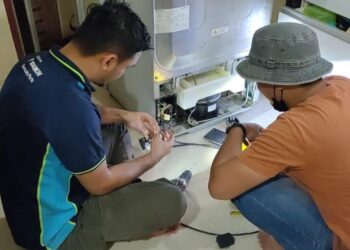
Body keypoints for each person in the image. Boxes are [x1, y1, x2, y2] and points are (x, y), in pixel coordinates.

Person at [0, 1, 188, 249]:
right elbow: (100, 183)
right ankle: (117, 216)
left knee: (115, 126)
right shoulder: (71, 108)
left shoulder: (38, 62)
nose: (124, 72)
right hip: (53, 233)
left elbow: (73, 115)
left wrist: (124, 115)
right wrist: (154, 157)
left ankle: (126, 197)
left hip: (24, 204)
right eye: (127, 67)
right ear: (108, 61)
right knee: (173, 201)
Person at [208, 22, 350, 250]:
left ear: (276, 84)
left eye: (258, 80)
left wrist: (238, 129)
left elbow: (219, 187)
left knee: (245, 190)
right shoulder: (340, 84)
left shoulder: (296, 128)